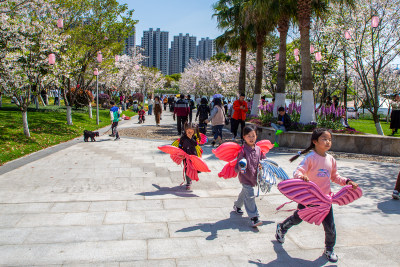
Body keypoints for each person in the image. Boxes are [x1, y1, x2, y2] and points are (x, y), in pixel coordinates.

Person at [275, 128, 359, 263]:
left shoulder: (331, 159)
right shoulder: (310, 158)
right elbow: (298, 171)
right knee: (298, 218)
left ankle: (329, 249)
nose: (328, 142)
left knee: (330, 226)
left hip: (326, 199)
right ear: (315, 141)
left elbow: (335, 177)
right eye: (324, 139)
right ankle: (282, 227)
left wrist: (347, 181)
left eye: (330, 139)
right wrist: (302, 177)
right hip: (309, 198)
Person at [232, 125, 265, 227]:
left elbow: (263, 160)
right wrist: (242, 167)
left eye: (253, 136)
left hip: (254, 177)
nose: (251, 138)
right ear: (244, 137)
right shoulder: (242, 150)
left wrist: (261, 165)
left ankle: (237, 205)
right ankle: (254, 217)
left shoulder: (258, 149)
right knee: (250, 195)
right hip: (245, 177)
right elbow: (238, 165)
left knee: (245, 192)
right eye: (248, 136)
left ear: (256, 136)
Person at [179, 122, 201, 190]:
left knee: (193, 167)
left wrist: (191, 138)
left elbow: (195, 144)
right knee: (187, 168)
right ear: (185, 130)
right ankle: (188, 182)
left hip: (193, 154)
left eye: (191, 132)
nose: (190, 133)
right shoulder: (183, 138)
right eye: (188, 131)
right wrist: (180, 154)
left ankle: (194, 174)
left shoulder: (194, 137)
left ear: (194, 131)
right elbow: (180, 145)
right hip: (185, 155)